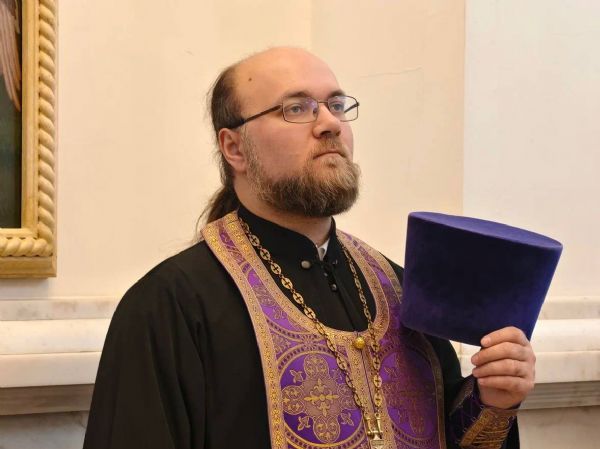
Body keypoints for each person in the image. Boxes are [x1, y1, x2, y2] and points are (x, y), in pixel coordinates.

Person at [83, 47, 535, 449]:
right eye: (296, 108)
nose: (330, 124)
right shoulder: (170, 306)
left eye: (336, 105)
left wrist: (494, 400)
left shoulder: (401, 289)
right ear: (234, 148)